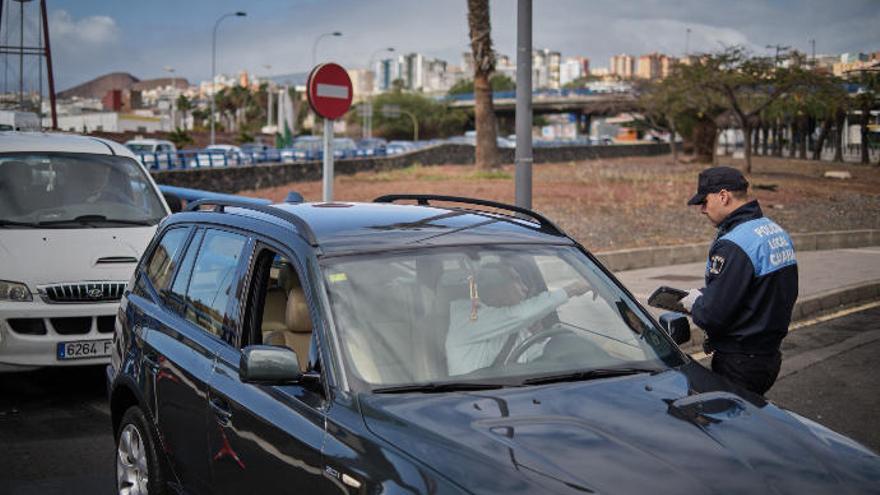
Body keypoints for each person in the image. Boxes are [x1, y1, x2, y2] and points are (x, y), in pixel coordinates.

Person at [678, 166, 798, 395]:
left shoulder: (734, 244)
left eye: (704, 201)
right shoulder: (775, 231)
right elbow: (760, 290)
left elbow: (714, 315)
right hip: (768, 355)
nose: (702, 209)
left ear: (723, 196)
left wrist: (697, 304)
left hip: (739, 361)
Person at [445, 263, 589, 376]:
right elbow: (518, 315)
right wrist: (574, 289)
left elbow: (534, 356)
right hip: (472, 403)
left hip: (513, 394)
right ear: (497, 287)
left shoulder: (512, 327)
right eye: (517, 281)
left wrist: (540, 336)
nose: (525, 289)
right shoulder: (467, 316)